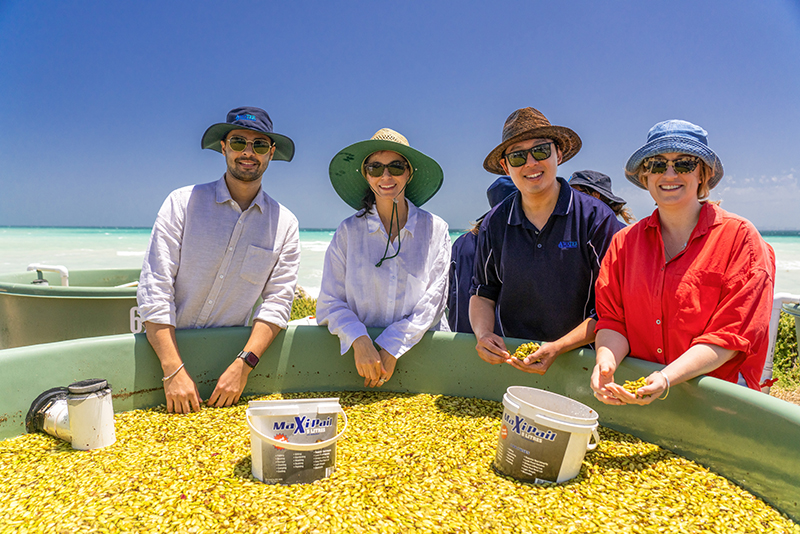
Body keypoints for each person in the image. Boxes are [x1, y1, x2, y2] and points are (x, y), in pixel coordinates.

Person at [591, 120, 776, 405]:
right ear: (644, 176)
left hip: (717, 398)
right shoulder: (623, 244)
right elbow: (613, 321)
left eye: (685, 164)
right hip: (641, 392)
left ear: (704, 174)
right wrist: (605, 363)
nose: (669, 173)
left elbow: (730, 335)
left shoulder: (741, 238)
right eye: (656, 164)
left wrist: (667, 377)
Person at [137, 107, 300, 413]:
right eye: (239, 142)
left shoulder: (285, 223)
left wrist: (244, 365)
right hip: (162, 356)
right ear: (224, 147)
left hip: (229, 363)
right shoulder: (182, 203)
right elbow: (155, 288)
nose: (248, 153)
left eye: (259, 145)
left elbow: (278, 301)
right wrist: (172, 370)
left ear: (271, 153)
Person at [470, 107, 620, 374]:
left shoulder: (595, 217)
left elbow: (613, 308)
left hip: (581, 362)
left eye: (540, 151)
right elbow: (483, 292)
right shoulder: (495, 222)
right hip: (513, 361)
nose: (530, 163)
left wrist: (559, 346)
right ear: (505, 166)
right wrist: (483, 335)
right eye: (517, 156)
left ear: (558, 154)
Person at [316, 128, 450, 388]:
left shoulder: (436, 229)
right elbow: (329, 301)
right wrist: (360, 340)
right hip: (360, 361)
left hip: (424, 356)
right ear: (366, 176)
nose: (386, 176)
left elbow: (433, 304)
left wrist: (391, 347)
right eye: (375, 168)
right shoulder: (348, 232)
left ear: (409, 173)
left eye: (396, 167)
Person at [447, 176, 516, 333]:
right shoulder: (511, 240)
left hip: (460, 336)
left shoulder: (460, 242)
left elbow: (449, 294)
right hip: (500, 343)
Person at [568, 170, 635, 229]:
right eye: (569, 193)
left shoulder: (618, 233)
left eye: (576, 193)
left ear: (595, 195)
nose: (570, 198)